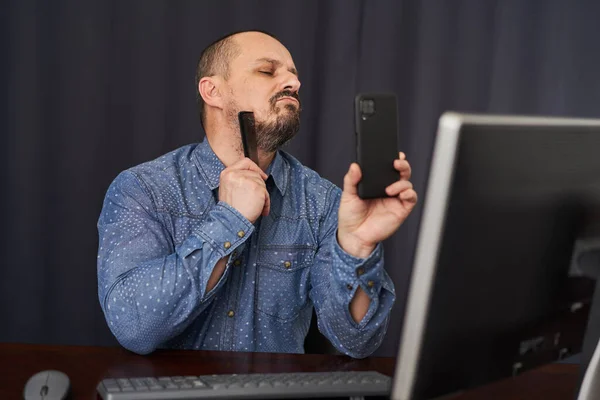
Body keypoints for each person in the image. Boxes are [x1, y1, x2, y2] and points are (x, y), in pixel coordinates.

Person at [97, 30, 417, 358]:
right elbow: (132, 326)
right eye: (267, 71)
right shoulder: (143, 189)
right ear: (213, 91)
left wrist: (358, 247)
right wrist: (229, 221)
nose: (292, 83)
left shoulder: (322, 202)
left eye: (293, 75)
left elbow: (356, 342)